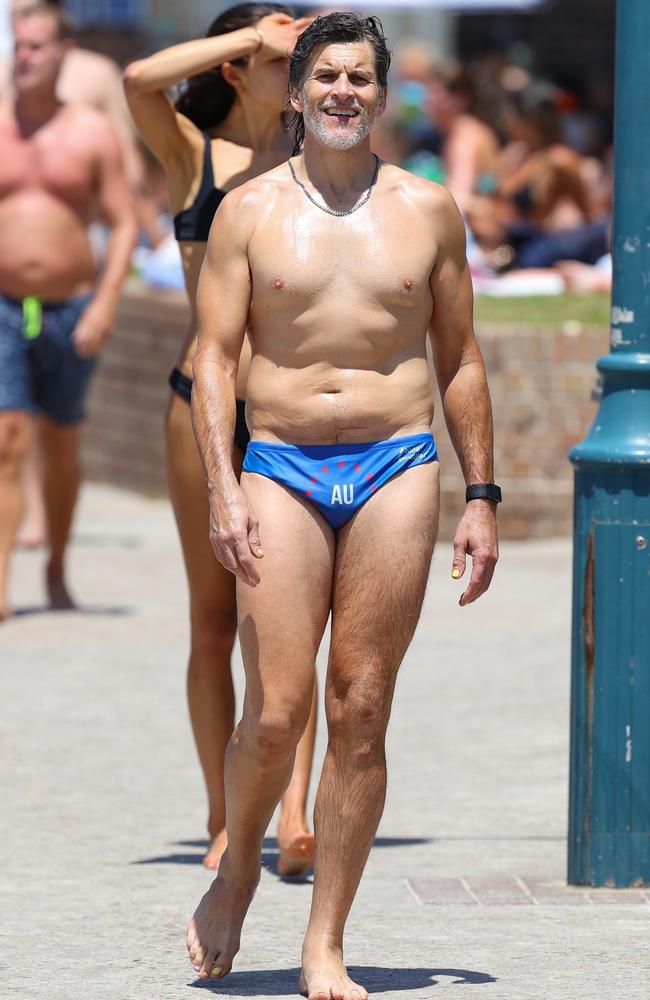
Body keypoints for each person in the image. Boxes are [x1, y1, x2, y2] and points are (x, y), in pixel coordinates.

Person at [186, 12, 499, 999]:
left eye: (360, 76)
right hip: (278, 460)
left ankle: (326, 941)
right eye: (325, 74)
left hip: (395, 460)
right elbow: (214, 361)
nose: (341, 92)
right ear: (295, 90)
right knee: (276, 710)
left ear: (379, 91)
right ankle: (238, 867)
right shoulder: (247, 212)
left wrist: (480, 493)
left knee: (359, 707)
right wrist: (222, 487)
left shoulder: (426, 208)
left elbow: (457, 359)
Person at [123, 3, 318, 875]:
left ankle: (296, 813)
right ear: (241, 68)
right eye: (285, 57)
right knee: (212, 620)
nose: (297, 67)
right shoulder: (193, 153)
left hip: (282, 410)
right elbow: (139, 80)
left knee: (288, 618)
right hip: (196, 401)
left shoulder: (320, 156)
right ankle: (221, 813)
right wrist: (251, 37)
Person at [0, 4, 136, 619]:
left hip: (72, 307)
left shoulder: (89, 131)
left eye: (36, 47)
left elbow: (125, 221)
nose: (24, 57)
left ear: (62, 53)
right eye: (18, 46)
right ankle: (1, 586)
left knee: (61, 443)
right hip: (4, 306)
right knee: (8, 439)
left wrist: (106, 303)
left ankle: (55, 567)